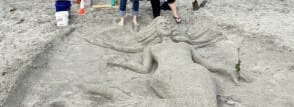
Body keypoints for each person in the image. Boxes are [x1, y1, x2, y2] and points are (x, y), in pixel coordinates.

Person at [80, 17, 249, 106]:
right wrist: (121, 62)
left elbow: (207, 64)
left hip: (197, 73)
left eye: (168, 23)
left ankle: (119, 97)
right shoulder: (152, 48)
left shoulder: (184, 44)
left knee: (207, 103)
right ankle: (116, 95)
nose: (166, 25)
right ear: (155, 30)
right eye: (161, 24)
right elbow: (145, 69)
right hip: (168, 75)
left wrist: (230, 70)